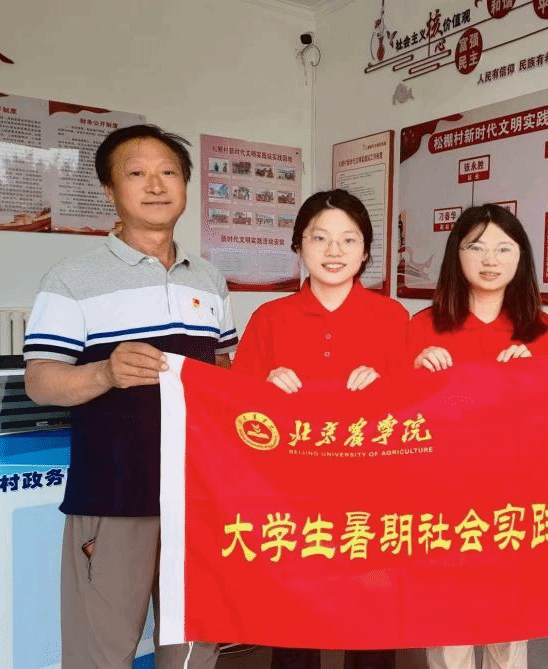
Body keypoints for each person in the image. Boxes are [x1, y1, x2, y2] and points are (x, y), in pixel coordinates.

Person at [23, 124, 237, 668]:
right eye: (137, 173)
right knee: (102, 653)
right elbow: (40, 381)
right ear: (109, 190)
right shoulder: (72, 278)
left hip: (197, 500)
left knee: (192, 650)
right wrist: (105, 373)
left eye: (169, 172)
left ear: (185, 185)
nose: (156, 185)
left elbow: (224, 373)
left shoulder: (208, 280)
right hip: (114, 499)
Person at [231, 188, 407, 669]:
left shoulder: (393, 317)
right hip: (292, 494)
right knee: (294, 621)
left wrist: (388, 386)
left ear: (365, 252)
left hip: (372, 494)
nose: (334, 251)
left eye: (349, 240)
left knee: (371, 619)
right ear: (298, 245)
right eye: (319, 238)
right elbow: (235, 411)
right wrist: (263, 388)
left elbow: (417, 410)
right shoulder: (269, 318)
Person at [408, 203, 548, 669]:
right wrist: (416, 373)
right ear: (456, 254)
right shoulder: (423, 326)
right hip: (441, 496)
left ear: (521, 257)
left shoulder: (542, 331)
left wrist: (536, 378)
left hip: (514, 496)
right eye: (476, 247)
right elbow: (397, 420)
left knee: (507, 622)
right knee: (449, 622)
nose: (490, 259)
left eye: (503, 248)